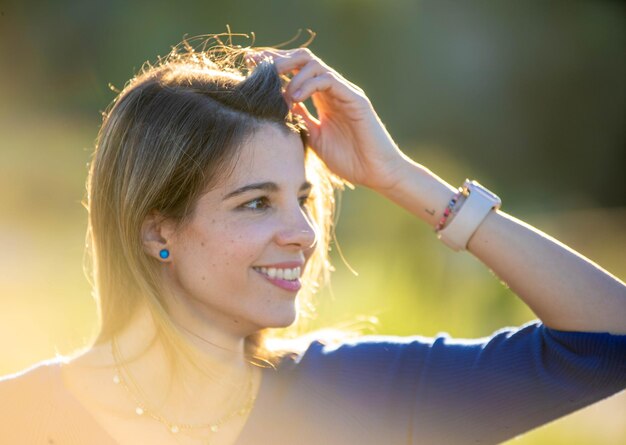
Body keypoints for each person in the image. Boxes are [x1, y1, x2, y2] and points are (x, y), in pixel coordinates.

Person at [1, 36, 625, 445]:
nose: (302, 235)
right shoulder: (18, 418)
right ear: (156, 229)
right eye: (256, 203)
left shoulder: (360, 396)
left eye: (302, 199)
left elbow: (610, 341)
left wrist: (398, 176)